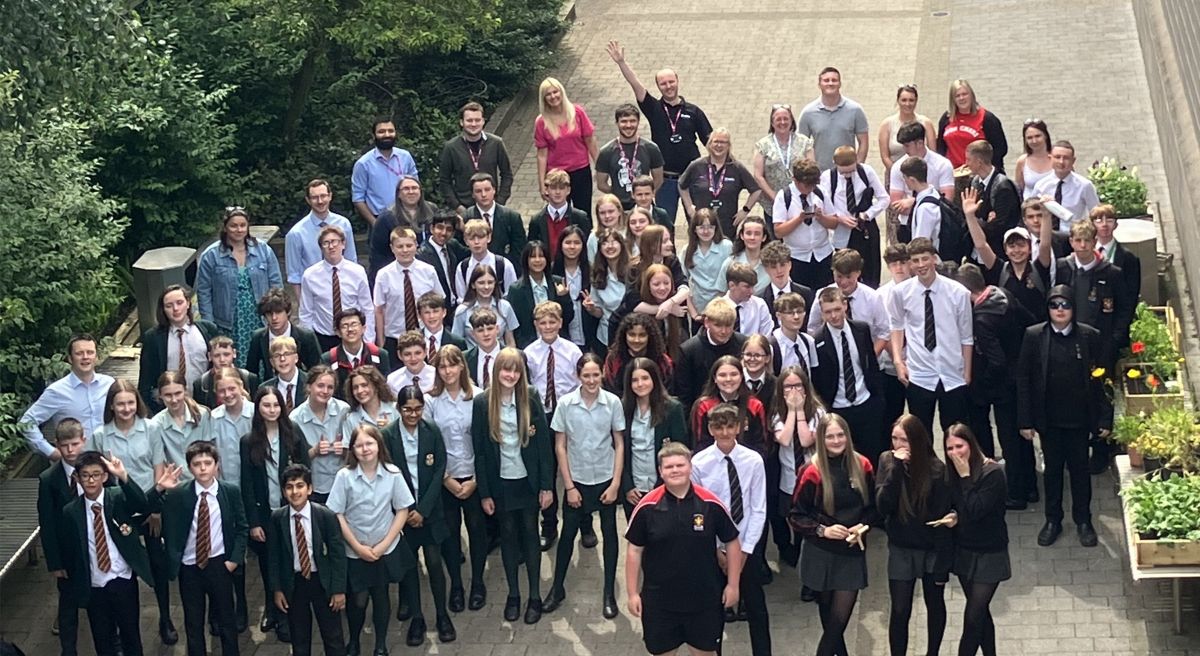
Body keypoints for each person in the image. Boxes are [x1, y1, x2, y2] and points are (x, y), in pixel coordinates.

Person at [624, 441, 742, 656]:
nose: (675, 470)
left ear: (690, 467)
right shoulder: (647, 506)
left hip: (704, 601)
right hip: (660, 603)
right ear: (660, 471)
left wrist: (733, 585)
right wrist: (632, 593)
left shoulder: (711, 503)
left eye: (680, 465)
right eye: (669, 467)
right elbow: (634, 550)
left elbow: (732, 542)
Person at [1017, 285, 1112, 548]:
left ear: (1073, 308)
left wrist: (1105, 419)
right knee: (1053, 473)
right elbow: (1023, 379)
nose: (1060, 310)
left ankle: (1084, 520)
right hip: (1049, 421)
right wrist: (1025, 420)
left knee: (1080, 472)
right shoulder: (1034, 336)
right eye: (1054, 305)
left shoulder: (1089, 336)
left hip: (1079, 420)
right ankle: (1053, 520)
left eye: (1065, 305)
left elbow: (1103, 380)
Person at [471, 348, 554, 625]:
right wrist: (484, 493)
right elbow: (480, 452)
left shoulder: (530, 396)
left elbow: (543, 446)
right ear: (497, 371)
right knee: (507, 535)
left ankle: (534, 595)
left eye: (516, 370)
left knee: (530, 533)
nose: (511, 375)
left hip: (527, 481)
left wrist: (547, 486)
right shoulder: (482, 402)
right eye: (506, 369)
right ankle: (514, 594)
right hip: (501, 482)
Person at [86, 380, 174, 638]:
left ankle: (166, 618)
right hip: (118, 511)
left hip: (149, 505)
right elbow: (94, 474)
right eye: (120, 404)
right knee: (121, 569)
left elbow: (158, 468)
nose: (126, 408)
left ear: (138, 403)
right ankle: (121, 626)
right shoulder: (100, 435)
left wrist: (155, 509)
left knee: (157, 564)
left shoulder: (151, 428)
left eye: (130, 403)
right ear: (111, 406)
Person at [543, 353, 626, 619]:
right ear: (578, 376)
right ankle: (557, 588)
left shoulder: (612, 402)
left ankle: (609, 593)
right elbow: (560, 446)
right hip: (577, 479)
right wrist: (569, 486)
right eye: (586, 375)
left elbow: (619, 443)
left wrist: (615, 483)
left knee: (610, 534)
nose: (591, 380)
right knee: (567, 534)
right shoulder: (566, 404)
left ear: (602, 374)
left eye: (595, 375)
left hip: (604, 477)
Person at [150, 441, 248, 656]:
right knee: (193, 622)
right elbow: (148, 505)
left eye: (207, 463)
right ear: (189, 467)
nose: (203, 468)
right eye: (197, 464)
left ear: (217, 465)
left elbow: (242, 527)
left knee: (226, 619)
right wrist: (159, 488)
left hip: (220, 563)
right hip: (190, 566)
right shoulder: (179, 494)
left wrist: (234, 560)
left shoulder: (230, 491)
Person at [790, 413, 876, 656]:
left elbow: (874, 508)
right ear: (821, 439)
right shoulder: (811, 471)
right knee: (828, 616)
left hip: (851, 551)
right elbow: (796, 515)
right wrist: (823, 530)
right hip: (820, 552)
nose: (836, 441)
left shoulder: (863, 465)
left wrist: (863, 525)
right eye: (830, 436)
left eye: (840, 435)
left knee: (838, 621)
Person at [327, 423, 415, 656]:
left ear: (379, 445)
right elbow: (337, 513)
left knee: (381, 595)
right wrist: (357, 547)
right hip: (355, 550)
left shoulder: (392, 474)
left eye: (369, 443)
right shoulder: (344, 476)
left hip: (384, 548)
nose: (365, 449)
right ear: (352, 449)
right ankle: (354, 640)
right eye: (359, 445)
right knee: (358, 599)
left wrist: (384, 545)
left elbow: (402, 510)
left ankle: (380, 644)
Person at [691, 403, 770, 654]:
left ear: (739, 427)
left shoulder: (753, 461)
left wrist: (745, 551)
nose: (724, 433)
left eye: (729, 427)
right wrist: (717, 550)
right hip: (713, 546)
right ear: (710, 429)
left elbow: (758, 508)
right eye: (718, 427)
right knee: (713, 611)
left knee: (756, 607)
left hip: (747, 541)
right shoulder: (699, 463)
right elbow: (699, 511)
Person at [606, 40, 713, 224]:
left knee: (698, 223)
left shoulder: (693, 112)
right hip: (665, 180)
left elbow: (712, 142)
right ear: (658, 86)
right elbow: (635, 85)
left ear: (677, 81)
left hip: (692, 178)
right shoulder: (654, 108)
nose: (668, 86)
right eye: (663, 83)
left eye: (671, 82)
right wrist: (621, 62)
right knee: (664, 225)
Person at [61, 451, 153, 656]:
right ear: (77, 478)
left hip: (122, 578)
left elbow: (141, 503)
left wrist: (123, 476)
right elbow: (70, 550)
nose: (91, 480)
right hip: (95, 584)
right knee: (102, 639)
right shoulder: (71, 511)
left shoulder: (117, 497)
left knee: (131, 635)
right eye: (85, 475)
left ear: (104, 476)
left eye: (96, 474)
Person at [383, 386, 456, 646]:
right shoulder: (388, 435)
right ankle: (417, 618)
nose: (413, 414)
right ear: (398, 409)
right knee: (409, 567)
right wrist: (407, 509)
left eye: (417, 409)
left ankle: (442, 614)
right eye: (407, 409)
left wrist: (423, 509)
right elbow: (388, 473)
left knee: (435, 563)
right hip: (403, 513)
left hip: (429, 511)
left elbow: (439, 469)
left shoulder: (431, 430)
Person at [876, 415, 955, 656]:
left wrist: (943, 565)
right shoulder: (887, 461)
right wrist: (896, 470)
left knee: (935, 604)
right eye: (895, 439)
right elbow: (883, 506)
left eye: (904, 440)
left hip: (931, 548)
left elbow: (941, 520)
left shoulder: (937, 470)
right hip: (901, 547)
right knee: (900, 609)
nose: (898, 446)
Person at [240, 386, 309, 643]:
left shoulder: (293, 434)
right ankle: (272, 609)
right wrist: (253, 522)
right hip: (264, 514)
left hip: (289, 511)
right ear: (258, 408)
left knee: (288, 562)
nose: (271, 410)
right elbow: (247, 483)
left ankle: (288, 614)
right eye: (266, 405)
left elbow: (305, 470)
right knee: (269, 565)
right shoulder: (249, 441)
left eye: (276, 405)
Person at [889, 238, 974, 432]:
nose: (921, 265)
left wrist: (967, 372)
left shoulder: (958, 292)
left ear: (934, 259)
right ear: (910, 264)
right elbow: (896, 325)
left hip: (952, 372)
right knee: (920, 434)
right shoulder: (901, 292)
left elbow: (966, 335)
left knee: (955, 432)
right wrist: (898, 361)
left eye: (925, 259)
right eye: (915, 260)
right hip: (919, 373)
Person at [425, 345, 487, 612]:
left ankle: (478, 583)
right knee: (450, 536)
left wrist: (476, 479)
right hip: (446, 479)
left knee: (477, 532)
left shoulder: (479, 397)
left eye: (452, 365)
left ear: (462, 365)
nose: (448, 371)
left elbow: (486, 443)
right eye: (442, 366)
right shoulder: (430, 401)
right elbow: (428, 445)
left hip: (474, 476)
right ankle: (457, 586)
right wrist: (446, 478)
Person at [956, 263, 1036, 468]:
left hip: (998, 385)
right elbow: (1030, 322)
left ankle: (996, 476)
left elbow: (996, 361)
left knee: (1002, 435)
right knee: (1018, 436)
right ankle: (1028, 480)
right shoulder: (1003, 294)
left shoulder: (981, 319)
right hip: (1017, 373)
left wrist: (982, 383)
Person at [1035, 211, 1132, 373]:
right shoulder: (1062, 267)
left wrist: (1115, 338)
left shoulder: (1112, 273)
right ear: (1071, 242)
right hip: (1068, 339)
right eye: (1078, 240)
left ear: (1094, 242)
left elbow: (1124, 308)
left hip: (1101, 341)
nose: (1082, 245)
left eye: (1087, 240)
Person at [266, 464, 347, 656]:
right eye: (289, 487)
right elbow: (274, 557)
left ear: (310, 489)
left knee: (333, 636)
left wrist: (338, 590)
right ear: (284, 492)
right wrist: (277, 589)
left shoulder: (325, 515)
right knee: (299, 637)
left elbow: (337, 555)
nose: (295, 492)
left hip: (322, 581)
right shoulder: (278, 518)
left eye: (300, 486)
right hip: (295, 583)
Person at [944, 423, 1010, 656]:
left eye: (959, 446)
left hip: (990, 552)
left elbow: (976, 509)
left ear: (970, 444)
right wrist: (954, 515)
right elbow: (958, 505)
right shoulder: (952, 472)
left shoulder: (992, 473)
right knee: (981, 613)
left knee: (973, 617)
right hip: (965, 550)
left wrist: (965, 477)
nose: (955, 453)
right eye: (950, 448)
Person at [523, 301, 585, 550]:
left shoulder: (572, 351)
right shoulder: (529, 353)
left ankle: (585, 524)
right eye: (543, 322)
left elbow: (581, 385)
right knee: (546, 472)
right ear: (536, 325)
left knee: (575, 469)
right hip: (543, 416)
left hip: (569, 415)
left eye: (552, 322)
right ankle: (549, 526)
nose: (547, 326)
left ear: (560, 323)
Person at [196, 206, 283, 362]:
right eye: (234, 226)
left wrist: (276, 314)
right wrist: (209, 325)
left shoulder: (263, 250)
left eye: (243, 225)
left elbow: (276, 285)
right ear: (225, 227)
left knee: (263, 359)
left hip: (259, 318)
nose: (239, 229)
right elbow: (204, 292)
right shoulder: (211, 255)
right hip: (227, 322)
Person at [37, 420, 94, 655]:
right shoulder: (49, 479)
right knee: (68, 604)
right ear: (57, 445)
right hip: (68, 554)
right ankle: (68, 649)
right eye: (65, 445)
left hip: (95, 548)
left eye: (75, 444)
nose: (70, 450)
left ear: (83, 441)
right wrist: (55, 563)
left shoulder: (96, 470)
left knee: (101, 602)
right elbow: (47, 524)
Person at [811, 287, 886, 465]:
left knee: (871, 458)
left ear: (845, 305)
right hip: (838, 408)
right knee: (842, 460)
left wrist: (878, 399)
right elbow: (818, 380)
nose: (834, 316)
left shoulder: (861, 329)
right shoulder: (817, 340)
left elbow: (871, 365)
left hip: (866, 404)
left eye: (837, 309)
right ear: (822, 313)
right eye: (828, 312)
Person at [961, 190, 1050, 324]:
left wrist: (1047, 215)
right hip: (1007, 333)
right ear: (1005, 250)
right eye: (1012, 246)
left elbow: (1045, 244)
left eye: (1021, 245)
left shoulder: (1039, 268)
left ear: (1030, 248)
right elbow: (981, 245)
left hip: (1037, 333)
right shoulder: (1000, 270)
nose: (1017, 250)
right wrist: (970, 217)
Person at [21, 334, 114, 459]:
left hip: (109, 459)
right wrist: (50, 452)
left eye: (90, 352)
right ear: (70, 358)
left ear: (96, 357)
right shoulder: (57, 391)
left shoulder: (109, 384)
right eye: (79, 353)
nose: (85, 357)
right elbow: (27, 422)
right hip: (75, 462)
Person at [619, 358, 690, 518]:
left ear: (654, 379)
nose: (640, 384)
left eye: (645, 378)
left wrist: (662, 486)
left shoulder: (672, 409)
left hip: (664, 486)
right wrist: (627, 486)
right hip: (634, 489)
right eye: (634, 380)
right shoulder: (622, 408)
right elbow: (618, 450)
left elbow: (680, 450)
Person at [770, 366, 825, 570]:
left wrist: (799, 410)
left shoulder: (818, 412)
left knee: (808, 519)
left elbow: (805, 440)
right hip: (788, 478)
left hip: (812, 477)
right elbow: (784, 439)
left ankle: (807, 560)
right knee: (787, 516)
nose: (793, 391)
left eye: (798, 386)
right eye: (788, 386)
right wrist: (791, 411)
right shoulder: (777, 412)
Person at [138, 285, 218, 413]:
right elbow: (145, 381)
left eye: (179, 303)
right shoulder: (153, 337)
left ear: (188, 303)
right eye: (169, 306)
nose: (175, 309)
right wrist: (155, 409)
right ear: (163, 309)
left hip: (205, 403)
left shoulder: (208, 330)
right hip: (170, 406)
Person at [820, 146, 888, 287]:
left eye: (851, 171)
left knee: (870, 271)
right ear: (835, 163)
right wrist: (840, 218)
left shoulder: (866, 172)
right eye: (843, 172)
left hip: (865, 228)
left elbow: (884, 198)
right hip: (841, 231)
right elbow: (824, 205)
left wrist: (867, 214)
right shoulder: (828, 177)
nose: (847, 175)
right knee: (845, 269)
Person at [299, 225, 374, 351]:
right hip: (324, 337)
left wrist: (368, 340)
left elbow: (367, 308)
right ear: (321, 247)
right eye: (326, 243)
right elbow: (306, 313)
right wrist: (310, 344)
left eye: (335, 241)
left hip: (353, 335)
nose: (331, 246)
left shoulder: (357, 272)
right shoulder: (310, 275)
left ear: (343, 244)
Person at [807, 249, 892, 358]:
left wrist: (869, 358)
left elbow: (884, 332)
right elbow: (813, 328)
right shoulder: (822, 295)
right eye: (839, 276)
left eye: (848, 277)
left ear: (858, 273)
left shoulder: (873, 297)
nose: (843, 282)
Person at [678, 128, 762, 238]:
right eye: (716, 141)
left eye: (723, 142)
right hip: (701, 226)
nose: (719, 145)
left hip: (726, 226)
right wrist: (689, 207)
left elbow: (756, 190)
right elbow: (682, 185)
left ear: (728, 146)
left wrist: (745, 210)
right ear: (709, 144)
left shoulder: (736, 168)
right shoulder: (696, 165)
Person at [534, 77, 598, 213]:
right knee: (561, 214)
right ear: (543, 98)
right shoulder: (541, 122)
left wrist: (600, 167)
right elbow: (541, 155)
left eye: (555, 92)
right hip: (556, 176)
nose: (553, 96)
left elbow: (590, 141)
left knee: (584, 213)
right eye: (548, 94)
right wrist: (542, 184)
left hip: (580, 171)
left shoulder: (577, 113)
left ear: (561, 92)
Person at [286, 179, 358, 297]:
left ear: (330, 196)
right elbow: (294, 276)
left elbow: (352, 260)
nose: (320, 201)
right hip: (313, 293)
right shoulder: (296, 234)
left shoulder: (344, 225)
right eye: (315, 197)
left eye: (323, 196)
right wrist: (302, 304)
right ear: (308, 200)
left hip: (343, 290)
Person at [438, 101, 514, 213]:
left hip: (492, 206)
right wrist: (457, 206)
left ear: (483, 121)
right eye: (469, 120)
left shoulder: (496, 143)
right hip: (464, 208)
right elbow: (444, 180)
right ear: (461, 122)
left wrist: (500, 201)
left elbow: (507, 174)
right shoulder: (451, 147)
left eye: (477, 120)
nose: (473, 124)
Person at [773, 158, 837, 291]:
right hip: (797, 257)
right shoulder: (784, 196)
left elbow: (834, 223)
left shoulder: (820, 192)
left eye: (813, 185)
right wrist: (799, 219)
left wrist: (821, 217)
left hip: (822, 254)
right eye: (807, 186)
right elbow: (778, 231)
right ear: (795, 180)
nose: (810, 189)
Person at [290, 365, 351, 504]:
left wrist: (344, 450)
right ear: (309, 387)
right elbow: (295, 460)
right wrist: (315, 450)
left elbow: (353, 451)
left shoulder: (344, 410)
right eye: (320, 386)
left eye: (330, 387)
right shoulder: (295, 418)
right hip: (313, 486)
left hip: (341, 484)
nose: (325, 391)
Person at [374, 226, 440, 351]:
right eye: (400, 246)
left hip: (424, 336)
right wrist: (381, 343)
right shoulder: (384, 275)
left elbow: (439, 302)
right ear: (392, 248)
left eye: (409, 245)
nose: (405, 250)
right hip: (394, 338)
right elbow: (379, 310)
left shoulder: (428, 271)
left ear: (416, 245)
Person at [887, 122, 956, 240]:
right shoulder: (898, 167)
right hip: (907, 224)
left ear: (920, 143)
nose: (905, 150)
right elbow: (896, 205)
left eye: (907, 146)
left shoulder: (942, 164)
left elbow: (947, 201)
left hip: (937, 224)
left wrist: (914, 201)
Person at [675, 297, 746, 411]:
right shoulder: (689, 350)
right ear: (707, 322)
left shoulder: (743, 344)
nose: (723, 331)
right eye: (718, 325)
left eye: (728, 326)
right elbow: (684, 395)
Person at [690, 355, 770, 454]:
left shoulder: (755, 405)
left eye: (734, 374)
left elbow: (761, 444)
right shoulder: (703, 406)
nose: (728, 379)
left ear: (741, 377)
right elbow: (700, 444)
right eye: (722, 375)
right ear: (715, 378)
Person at [753, 103, 814, 229]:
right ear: (772, 122)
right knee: (776, 237)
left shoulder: (805, 142)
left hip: (801, 202)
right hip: (773, 204)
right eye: (778, 119)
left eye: (786, 119)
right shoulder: (762, 145)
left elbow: (812, 170)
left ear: (792, 121)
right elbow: (758, 176)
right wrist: (775, 197)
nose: (782, 122)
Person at [351, 117, 418, 227]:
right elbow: (358, 199)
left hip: (408, 218)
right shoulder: (363, 164)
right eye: (381, 131)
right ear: (374, 135)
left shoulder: (405, 157)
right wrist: (375, 224)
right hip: (379, 219)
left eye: (390, 131)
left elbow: (416, 188)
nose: (387, 135)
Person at [798, 67, 870, 170]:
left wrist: (857, 167)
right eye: (826, 80)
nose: (830, 83)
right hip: (820, 174)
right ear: (819, 84)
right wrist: (811, 171)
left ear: (840, 84)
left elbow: (863, 142)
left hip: (848, 172)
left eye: (834, 80)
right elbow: (801, 145)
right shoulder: (808, 113)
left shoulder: (855, 110)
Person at [506, 241, 575, 349]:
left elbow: (568, 318)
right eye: (533, 256)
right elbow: (514, 324)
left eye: (541, 256)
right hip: (529, 347)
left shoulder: (558, 282)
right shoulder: (516, 289)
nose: (537, 260)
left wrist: (563, 297)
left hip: (558, 345)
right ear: (526, 260)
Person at [596, 103, 664, 210]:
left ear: (638, 122)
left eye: (632, 121)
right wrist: (617, 193)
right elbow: (601, 184)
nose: (628, 125)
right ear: (617, 123)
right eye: (624, 121)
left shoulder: (651, 148)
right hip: (619, 207)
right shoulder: (606, 151)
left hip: (644, 206)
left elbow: (659, 179)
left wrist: (644, 195)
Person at [369, 176, 436, 283]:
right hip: (398, 275)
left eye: (414, 188)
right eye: (406, 189)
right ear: (398, 194)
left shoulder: (432, 211)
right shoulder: (386, 218)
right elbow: (378, 255)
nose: (411, 192)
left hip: (427, 272)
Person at [245, 288, 322, 381]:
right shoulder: (258, 337)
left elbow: (317, 370)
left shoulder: (306, 337)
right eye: (269, 313)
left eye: (278, 312)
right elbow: (251, 371)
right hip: (270, 387)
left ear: (288, 312)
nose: (274, 318)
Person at [963, 140, 1022, 261]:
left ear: (979, 162)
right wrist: (984, 221)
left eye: (968, 159)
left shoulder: (1003, 187)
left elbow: (1000, 227)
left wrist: (974, 220)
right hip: (975, 253)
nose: (966, 164)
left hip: (996, 253)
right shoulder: (973, 183)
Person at [153, 371, 213, 481]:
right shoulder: (156, 424)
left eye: (178, 393)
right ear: (160, 395)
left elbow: (209, 450)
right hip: (176, 483)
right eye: (168, 395)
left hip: (202, 479)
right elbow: (160, 461)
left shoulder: (202, 415)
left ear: (185, 391)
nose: (174, 400)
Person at [935, 79, 1007, 171]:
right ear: (953, 99)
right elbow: (941, 148)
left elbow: (1001, 149)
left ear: (971, 95)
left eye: (965, 94)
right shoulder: (946, 118)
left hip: (980, 173)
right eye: (957, 96)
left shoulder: (987, 119)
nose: (961, 98)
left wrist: (983, 167)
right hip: (954, 173)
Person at [462, 173, 528, 271]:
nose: (483, 194)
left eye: (487, 190)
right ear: (472, 194)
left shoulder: (511, 217)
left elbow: (520, 250)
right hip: (476, 272)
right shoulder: (465, 218)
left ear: (494, 190)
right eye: (478, 191)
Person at [321, 309, 393, 397]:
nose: (350, 329)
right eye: (344, 326)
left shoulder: (380, 354)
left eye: (354, 324)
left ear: (363, 328)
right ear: (338, 332)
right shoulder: (329, 358)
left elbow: (384, 387)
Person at [1032, 140, 1100, 233]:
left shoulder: (1084, 185)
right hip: (1046, 235)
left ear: (1073, 161)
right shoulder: (1041, 185)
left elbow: (1096, 214)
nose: (1061, 162)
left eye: (1066, 158)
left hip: (1074, 235)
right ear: (1050, 158)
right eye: (1057, 157)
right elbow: (1031, 210)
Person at [527, 169, 592, 263]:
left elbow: (587, 247)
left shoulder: (580, 218)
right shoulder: (537, 220)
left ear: (568, 190)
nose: (558, 192)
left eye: (561, 188)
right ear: (546, 190)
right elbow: (531, 249)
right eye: (553, 188)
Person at [604, 313, 674, 397]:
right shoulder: (613, 359)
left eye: (642, 335)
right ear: (624, 335)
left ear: (649, 337)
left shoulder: (662, 361)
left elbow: (668, 389)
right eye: (632, 334)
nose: (636, 340)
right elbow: (610, 390)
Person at [586, 230, 633, 355]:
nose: (610, 246)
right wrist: (592, 309)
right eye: (605, 243)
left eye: (614, 242)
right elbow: (600, 312)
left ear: (621, 245)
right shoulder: (598, 274)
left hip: (631, 333)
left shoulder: (633, 271)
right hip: (606, 335)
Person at [452, 265, 520, 349]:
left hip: (500, 355)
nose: (486, 287)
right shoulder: (462, 311)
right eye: (481, 283)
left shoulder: (505, 307)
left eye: (490, 282)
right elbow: (456, 343)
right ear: (473, 285)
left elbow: (510, 341)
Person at [877, 85, 937, 179]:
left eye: (911, 100)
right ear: (898, 101)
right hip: (895, 175)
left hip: (923, 176)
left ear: (916, 101)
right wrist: (899, 175)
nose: (908, 104)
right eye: (904, 100)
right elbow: (885, 157)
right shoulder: (886, 125)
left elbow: (933, 153)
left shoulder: (926, 123)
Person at [682, 208, 733, 318]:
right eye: (701, 227)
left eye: (710, 227)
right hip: (698, 308)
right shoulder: (687, 250)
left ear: (716, 228)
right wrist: (694, 314)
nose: (706, 231)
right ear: (694, 229)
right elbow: (682, 283)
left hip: (722, 306)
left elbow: (732, 278)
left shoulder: (726, 246)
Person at [553, 225, 596, 350]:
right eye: (568, 243)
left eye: (577, 243)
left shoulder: (592, 270)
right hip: (562, 335)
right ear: (561, 245)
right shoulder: (552, 272)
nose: (572, 247)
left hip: (588, 334)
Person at [416, 209, 469, 309]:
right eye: (440, 228)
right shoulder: (421, 255)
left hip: (456, 305)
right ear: (432, 228)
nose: (444, 233)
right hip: (437, 308)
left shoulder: (453, 245)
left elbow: (476, 252)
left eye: (449, 229)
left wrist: (465, 230)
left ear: (453, 233)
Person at [1092, 204, 1143, 307]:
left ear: (1115, 225)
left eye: (1109, 220)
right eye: (1099, 221)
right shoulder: (1086, 253)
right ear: (1092, 225)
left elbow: (1132, 295)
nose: (1104, 224)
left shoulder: (1128, 258)